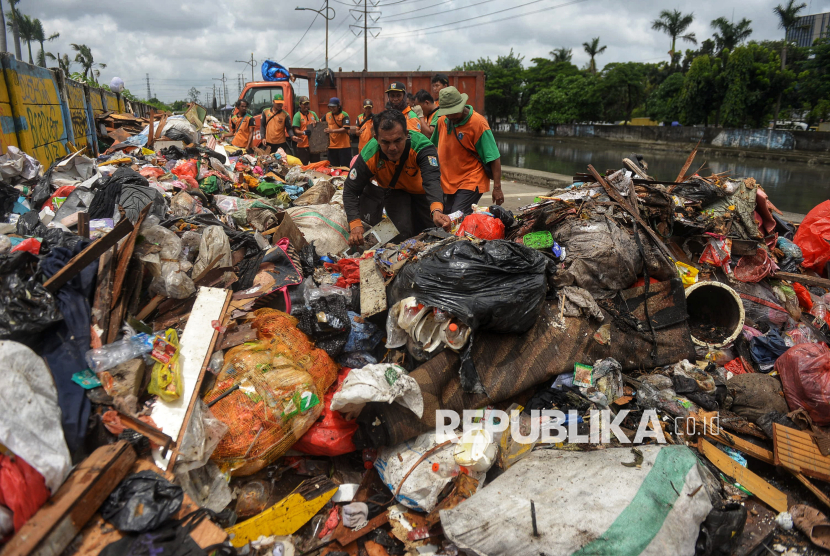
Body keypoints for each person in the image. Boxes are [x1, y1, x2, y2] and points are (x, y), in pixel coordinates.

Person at [344, 109, 450, 244]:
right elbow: (350, 189)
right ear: (376, 138)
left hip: (423, 193)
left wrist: (436, 210)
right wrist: (355, 224)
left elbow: (432, 181)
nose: (392, 148)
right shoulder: (369, 154)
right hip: (394, 192)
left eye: (397, 140)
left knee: (430, 234)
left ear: (406, 134)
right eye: (386, 142)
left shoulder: (422, 147)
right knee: (400, 233)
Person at [431, 86, 503, 215]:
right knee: (445, 217)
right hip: (448, 181)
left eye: (453, 112)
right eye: (447, 112)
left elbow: (494, 156)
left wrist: (497, 187)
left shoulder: (478, 123)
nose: (451, 116)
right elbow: (433, 147)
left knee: (456, 217)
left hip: (471, 179)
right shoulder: (442, 120)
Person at [292, 96, 320, 166]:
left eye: (307, 104)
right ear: (300, 105)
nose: (306, 106)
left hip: (314, 145)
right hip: (303, 146)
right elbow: (296, 130)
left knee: (316, 165)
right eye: (304, 104)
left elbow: (319, 124)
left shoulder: (313, 114)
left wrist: (316, 122)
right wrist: (303, 132)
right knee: (303, 166)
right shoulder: (297, 116)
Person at [325, 97, 352, 167]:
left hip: (344, 147)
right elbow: (320, 123)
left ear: (338, 106)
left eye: (334, 107)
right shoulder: (327, 115)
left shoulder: (344, 115)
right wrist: (315, 122)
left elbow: (346, 129)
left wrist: (331, 131)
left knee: (345, 168)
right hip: (332, 147)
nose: (332, 109)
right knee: (333, 168)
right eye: (330, 107)